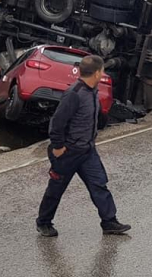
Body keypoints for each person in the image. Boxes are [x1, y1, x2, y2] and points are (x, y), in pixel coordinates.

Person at [36, 54, 131, 238]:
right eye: (102, 70)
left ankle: (109, 221)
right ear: (96, 73)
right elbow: (57, 123)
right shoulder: (74, 94)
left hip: (87, 151)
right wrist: (58, 147)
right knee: (56, 189)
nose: (103, 73)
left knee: (99, 184)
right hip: (69, 152)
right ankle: (44, 223)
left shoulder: (92, 90)